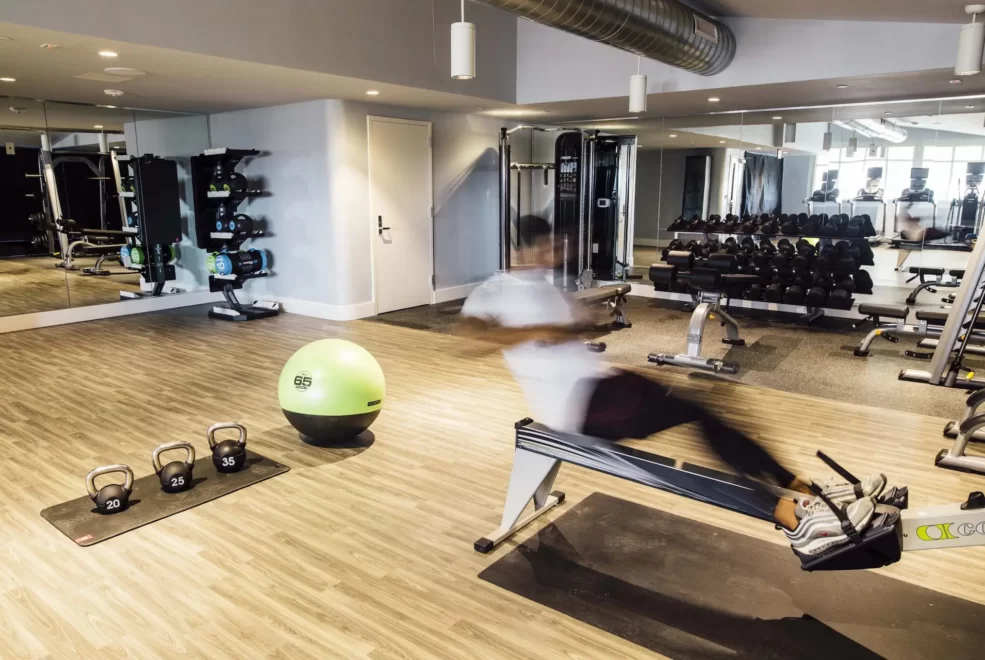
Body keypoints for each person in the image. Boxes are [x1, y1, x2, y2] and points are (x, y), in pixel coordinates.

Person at [457, 215, 885, 557]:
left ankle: (801, 490)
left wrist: (587, 321)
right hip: (572, 406)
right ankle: (796, 517)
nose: (553, 256)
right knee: (701, 416)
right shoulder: (495, 289)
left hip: (600, 384)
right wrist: (535, 331)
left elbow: (568, 329)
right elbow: (472, 339)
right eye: (547, 249)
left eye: (556, 249)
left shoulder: (549, 287)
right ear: (522, 249)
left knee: (705, 410)